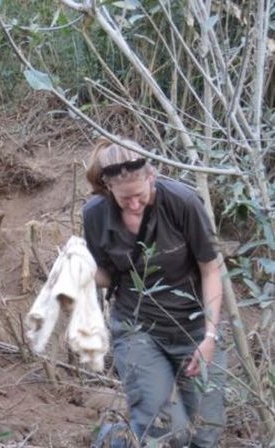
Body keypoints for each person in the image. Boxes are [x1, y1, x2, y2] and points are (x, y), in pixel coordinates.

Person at [82, 137, 225, 447]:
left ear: (152, 177)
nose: (133, 205)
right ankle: (114, 441)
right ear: (108, 190)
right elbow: (108, 277)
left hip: (193, 327)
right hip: (138, 328)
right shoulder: (95, 214)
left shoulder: (182, 202)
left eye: (139, 196)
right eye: (124, 199)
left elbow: (211, 270)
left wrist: (210, 337)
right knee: (163, 427)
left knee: (206, 432)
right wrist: (79, 269)